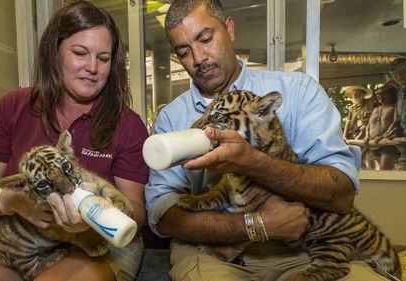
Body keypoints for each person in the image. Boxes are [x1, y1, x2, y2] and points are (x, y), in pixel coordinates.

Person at [145, 0, 388, 280]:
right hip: (213, 251)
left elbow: (342, 193)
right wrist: (256, 225)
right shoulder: (173, 117)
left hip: (308, 249)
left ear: (230, 29)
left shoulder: (299, 90)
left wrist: (253, 163)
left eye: (206, 38)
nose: (198, 58)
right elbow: (163, 215)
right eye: (184, 51)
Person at [0, 1, 148, 281]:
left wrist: (97, 216)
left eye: (103, 58)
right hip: (25, 237)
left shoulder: (127, 123)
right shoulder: (14, 106)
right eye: (79, 53)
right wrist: (15, 202)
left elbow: (137, 211)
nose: (93, 67)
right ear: (55, 52)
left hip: (102, 243)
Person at [364, 84, 401, 170]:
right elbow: (369, 124)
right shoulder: (376, 109)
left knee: (385, 169)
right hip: (373, 144)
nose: (381, 96)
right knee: (373, 169)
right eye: (379, 94)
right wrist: (366, 135)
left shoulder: (394, 107)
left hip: (387, 144)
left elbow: (396, 123)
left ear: (391, 95)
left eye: (384, 94)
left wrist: (383, 136)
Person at [389, 57, 406, 141]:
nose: (398, 76)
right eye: (394, 74)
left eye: (400, 72)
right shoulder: (399, 91)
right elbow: (402, 115)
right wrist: (394, 131)